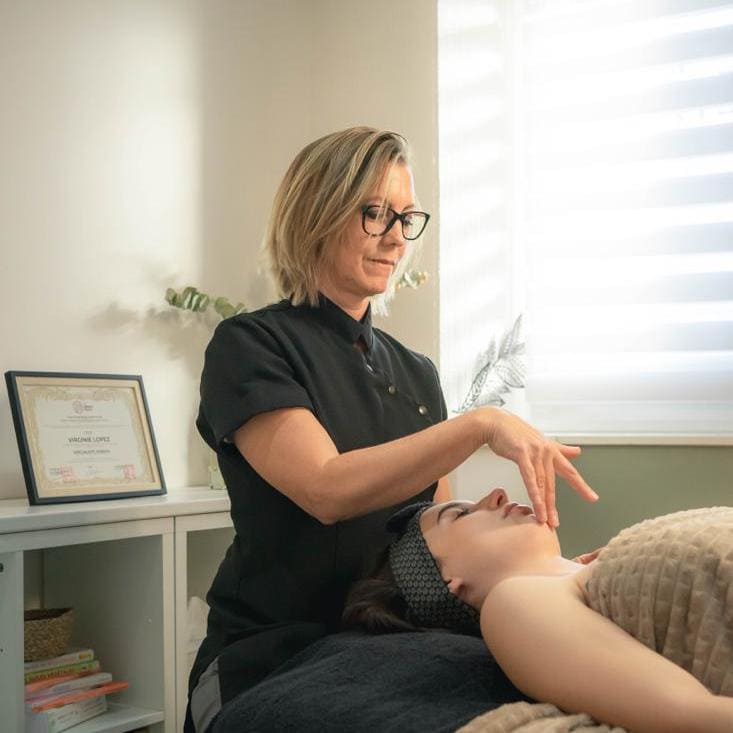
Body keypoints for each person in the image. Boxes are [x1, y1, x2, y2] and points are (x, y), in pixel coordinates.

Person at [185, 126, 599, 733]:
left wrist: (557, 576)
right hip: (273, 651)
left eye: (406, 218)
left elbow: (431, 537)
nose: (397, 238)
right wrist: (480, 424)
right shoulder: (251, 344)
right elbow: (324, 490)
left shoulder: (415, 371)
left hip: (387, 644)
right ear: (316, 214)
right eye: (375, 213)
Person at [343, 488, 733, 733]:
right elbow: (690, 714)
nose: (496, 495)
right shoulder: (512, 604)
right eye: (461, 514)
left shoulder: (586, 577)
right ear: (446, 581)